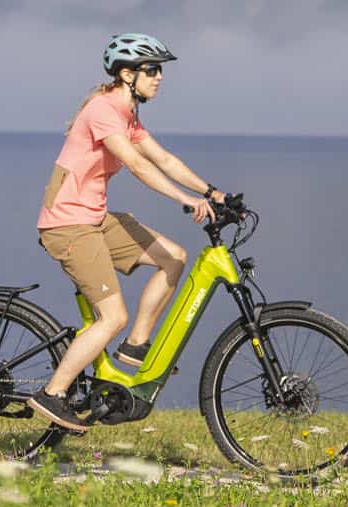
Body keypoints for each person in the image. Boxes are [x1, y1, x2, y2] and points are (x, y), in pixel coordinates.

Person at [29, 33, 229, 431]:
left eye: (160, 71)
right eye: (152, 70)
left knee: (172, 257)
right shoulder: (104, 110)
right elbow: (137, 166)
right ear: (126, 75)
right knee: (111, 316)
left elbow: (164, 159)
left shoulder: (128, 115)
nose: (159, 78)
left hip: (95, 219)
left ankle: (136, 347)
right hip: (68, 224)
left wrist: (211, 192)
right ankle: (51, 394)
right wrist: (184, 201)